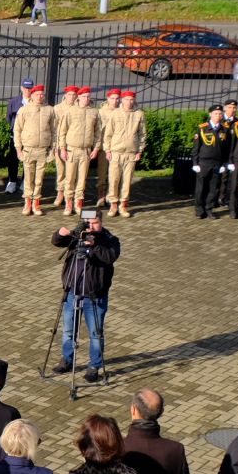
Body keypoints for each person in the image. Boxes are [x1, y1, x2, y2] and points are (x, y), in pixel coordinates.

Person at [53, 215, 120, 383]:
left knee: (96, 333)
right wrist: (61, 233)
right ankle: (67, 360)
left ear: (101, 222)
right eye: (88, 222)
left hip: (95, 297)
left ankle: (94, 366)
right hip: (72, 293)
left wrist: (94, 245)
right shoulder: (78, 235)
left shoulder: (109, 240)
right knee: (68, 330)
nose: (91, 226)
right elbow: (56, 242)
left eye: (95, 222)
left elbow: (110, 256)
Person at [55, 86, 102, 216]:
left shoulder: (94, 112)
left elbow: (98, 133)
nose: (86, 99)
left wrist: (96, 149)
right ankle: (68, 203)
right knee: (69, 178)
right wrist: (62, 148)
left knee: (82, 179)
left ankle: (79, 203)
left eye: (88, 96)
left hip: (86, 151)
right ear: (79, 97)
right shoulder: (70, 111)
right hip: (72, 150)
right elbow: (62, 131)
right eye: (84, 96)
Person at [11, 83, 53, 216]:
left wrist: (53, 149)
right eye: (37, 94)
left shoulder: (49, 110)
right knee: (28, 178)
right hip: (28, 149)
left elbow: (54, 131)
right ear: (32, 96)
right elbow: (17, 130)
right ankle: (27, 203)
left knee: (39, 179)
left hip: (42, 150)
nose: (39, 96)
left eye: (41, 94)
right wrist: (18, 149)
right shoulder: (24, 110)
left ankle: (36, 203)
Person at [101, 90, 145, 217]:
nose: (129, 102)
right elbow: (108, 134)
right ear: (122, 100)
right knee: (114, 179)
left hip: (131, 153)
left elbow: (142, 134)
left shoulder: (139, 114)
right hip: (116, 152)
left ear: (134, 100)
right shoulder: (115, 114)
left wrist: (139, 150)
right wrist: (107, 150)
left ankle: (123, 205)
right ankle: (113, 204)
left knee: (127, 181)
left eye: (131, 99)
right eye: (126, 99)